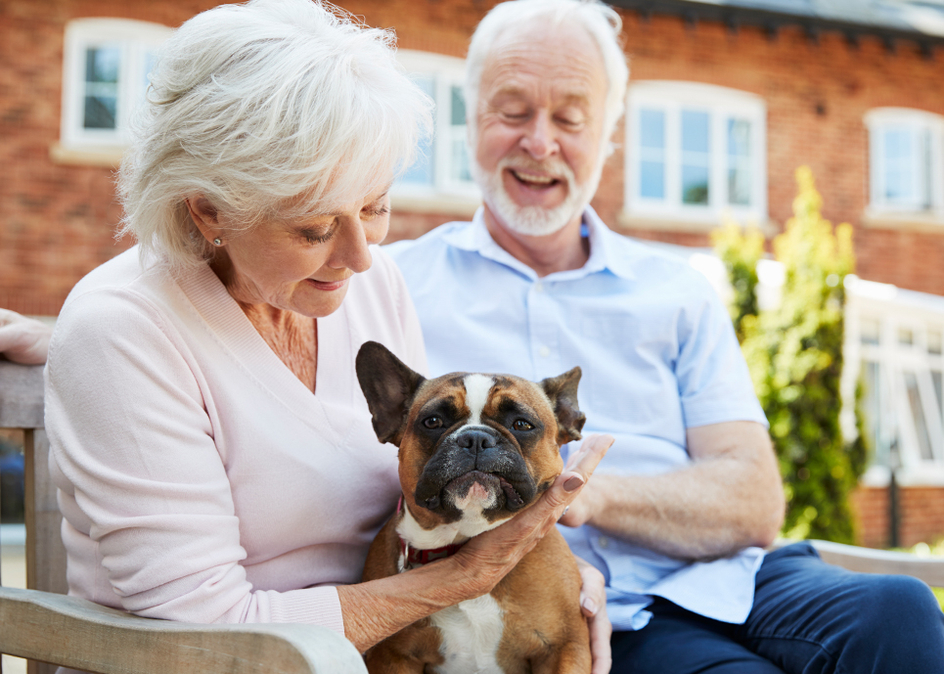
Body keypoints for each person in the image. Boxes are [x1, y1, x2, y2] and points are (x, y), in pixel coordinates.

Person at [40, 0, 612, 666]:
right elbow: (208, 630)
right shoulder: (124, 332)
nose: (363, 256)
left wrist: (541, 576)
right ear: (208, 210)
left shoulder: (368, 285)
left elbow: (431, 500)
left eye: (375, 207)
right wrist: (465, 578)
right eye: (315, 229)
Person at [385, 0, 944, 672]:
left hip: (739, 578)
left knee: (902, 610)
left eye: (570, 117)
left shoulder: (677, 288)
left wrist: (589, 493)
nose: (541, 142)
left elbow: (754, 499)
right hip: (590, 611)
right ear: (470, 119)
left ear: (610, 135)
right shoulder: (396, 284)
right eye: (513, 111)